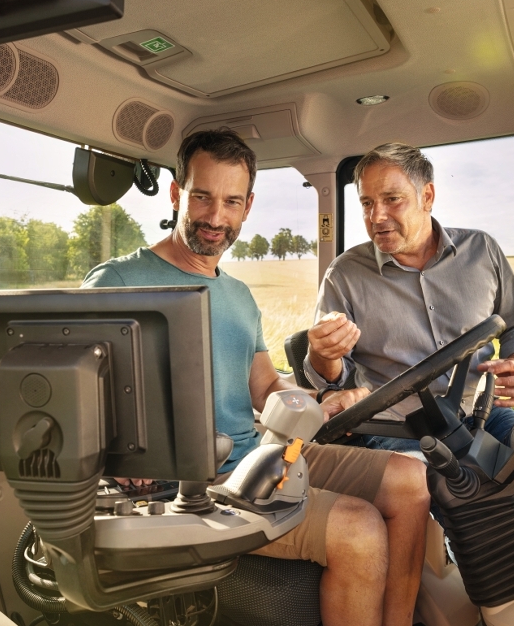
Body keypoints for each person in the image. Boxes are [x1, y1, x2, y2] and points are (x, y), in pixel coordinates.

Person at [82, 130, 430, 626]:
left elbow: (266, 387)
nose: (215, 217)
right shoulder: (116, 282)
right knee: (359, 528)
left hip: (260, 456)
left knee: (409, 477)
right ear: (178, 194)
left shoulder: (238, 296)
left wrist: (322, 398)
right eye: (202, 197)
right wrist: (116, 456)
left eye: (230, 202)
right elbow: (80, 398)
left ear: (247, 207)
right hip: (189, 483)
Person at [304, 142, 514, 517]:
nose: (377, 216)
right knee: (469, 524)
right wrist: (323, 354)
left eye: (392, 199)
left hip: (484, 418)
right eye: (366, 203)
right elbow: (332, 382)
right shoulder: (344, 274)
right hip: (396, 431)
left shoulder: (482, 250)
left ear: (428, 196)